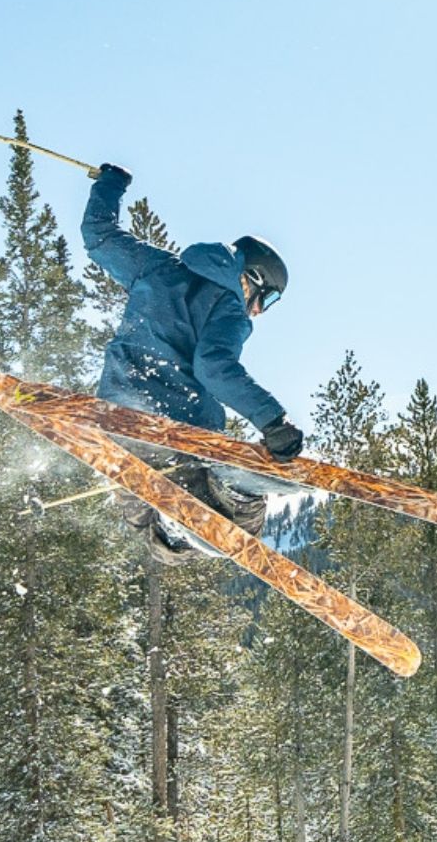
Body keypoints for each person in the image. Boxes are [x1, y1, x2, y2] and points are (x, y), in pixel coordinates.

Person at [79, 161, 303, 559]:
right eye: (267, 299)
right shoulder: (230, 307)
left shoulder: (159, 267)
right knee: (234, 533)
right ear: (250, 278)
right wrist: (273, 421)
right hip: (180, 429)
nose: (260, 311)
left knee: (142, 518)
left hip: (117, 412)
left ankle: (179, 516)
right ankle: (231, 493)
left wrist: (110, 185)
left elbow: (98, 237)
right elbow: (214, 367)